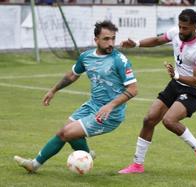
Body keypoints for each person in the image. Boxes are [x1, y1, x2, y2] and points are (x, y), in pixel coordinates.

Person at [14, 20, 138, 173]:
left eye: (113, 38)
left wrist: (110, 105)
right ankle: (87, 155)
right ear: (96, 40)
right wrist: (53, 90)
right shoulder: (86, 56)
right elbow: (73, 75)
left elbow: (133, 89)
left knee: (64, 133)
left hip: (110, 114)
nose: (111, 43)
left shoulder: (120, 60)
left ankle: (34, 164)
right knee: (68, 130)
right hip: (93, 105)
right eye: (106, 39)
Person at [118, 9, 196, 174]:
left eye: (185, 28)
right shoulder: (176, 33)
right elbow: (157, 40)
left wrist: (176, 75)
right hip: (175, 85)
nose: (181, 31)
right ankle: (137, 165)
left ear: (195, 27)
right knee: (149, 119)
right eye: (180, 26)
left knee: (169, 121)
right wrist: (137, 44)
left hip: (193, 92)